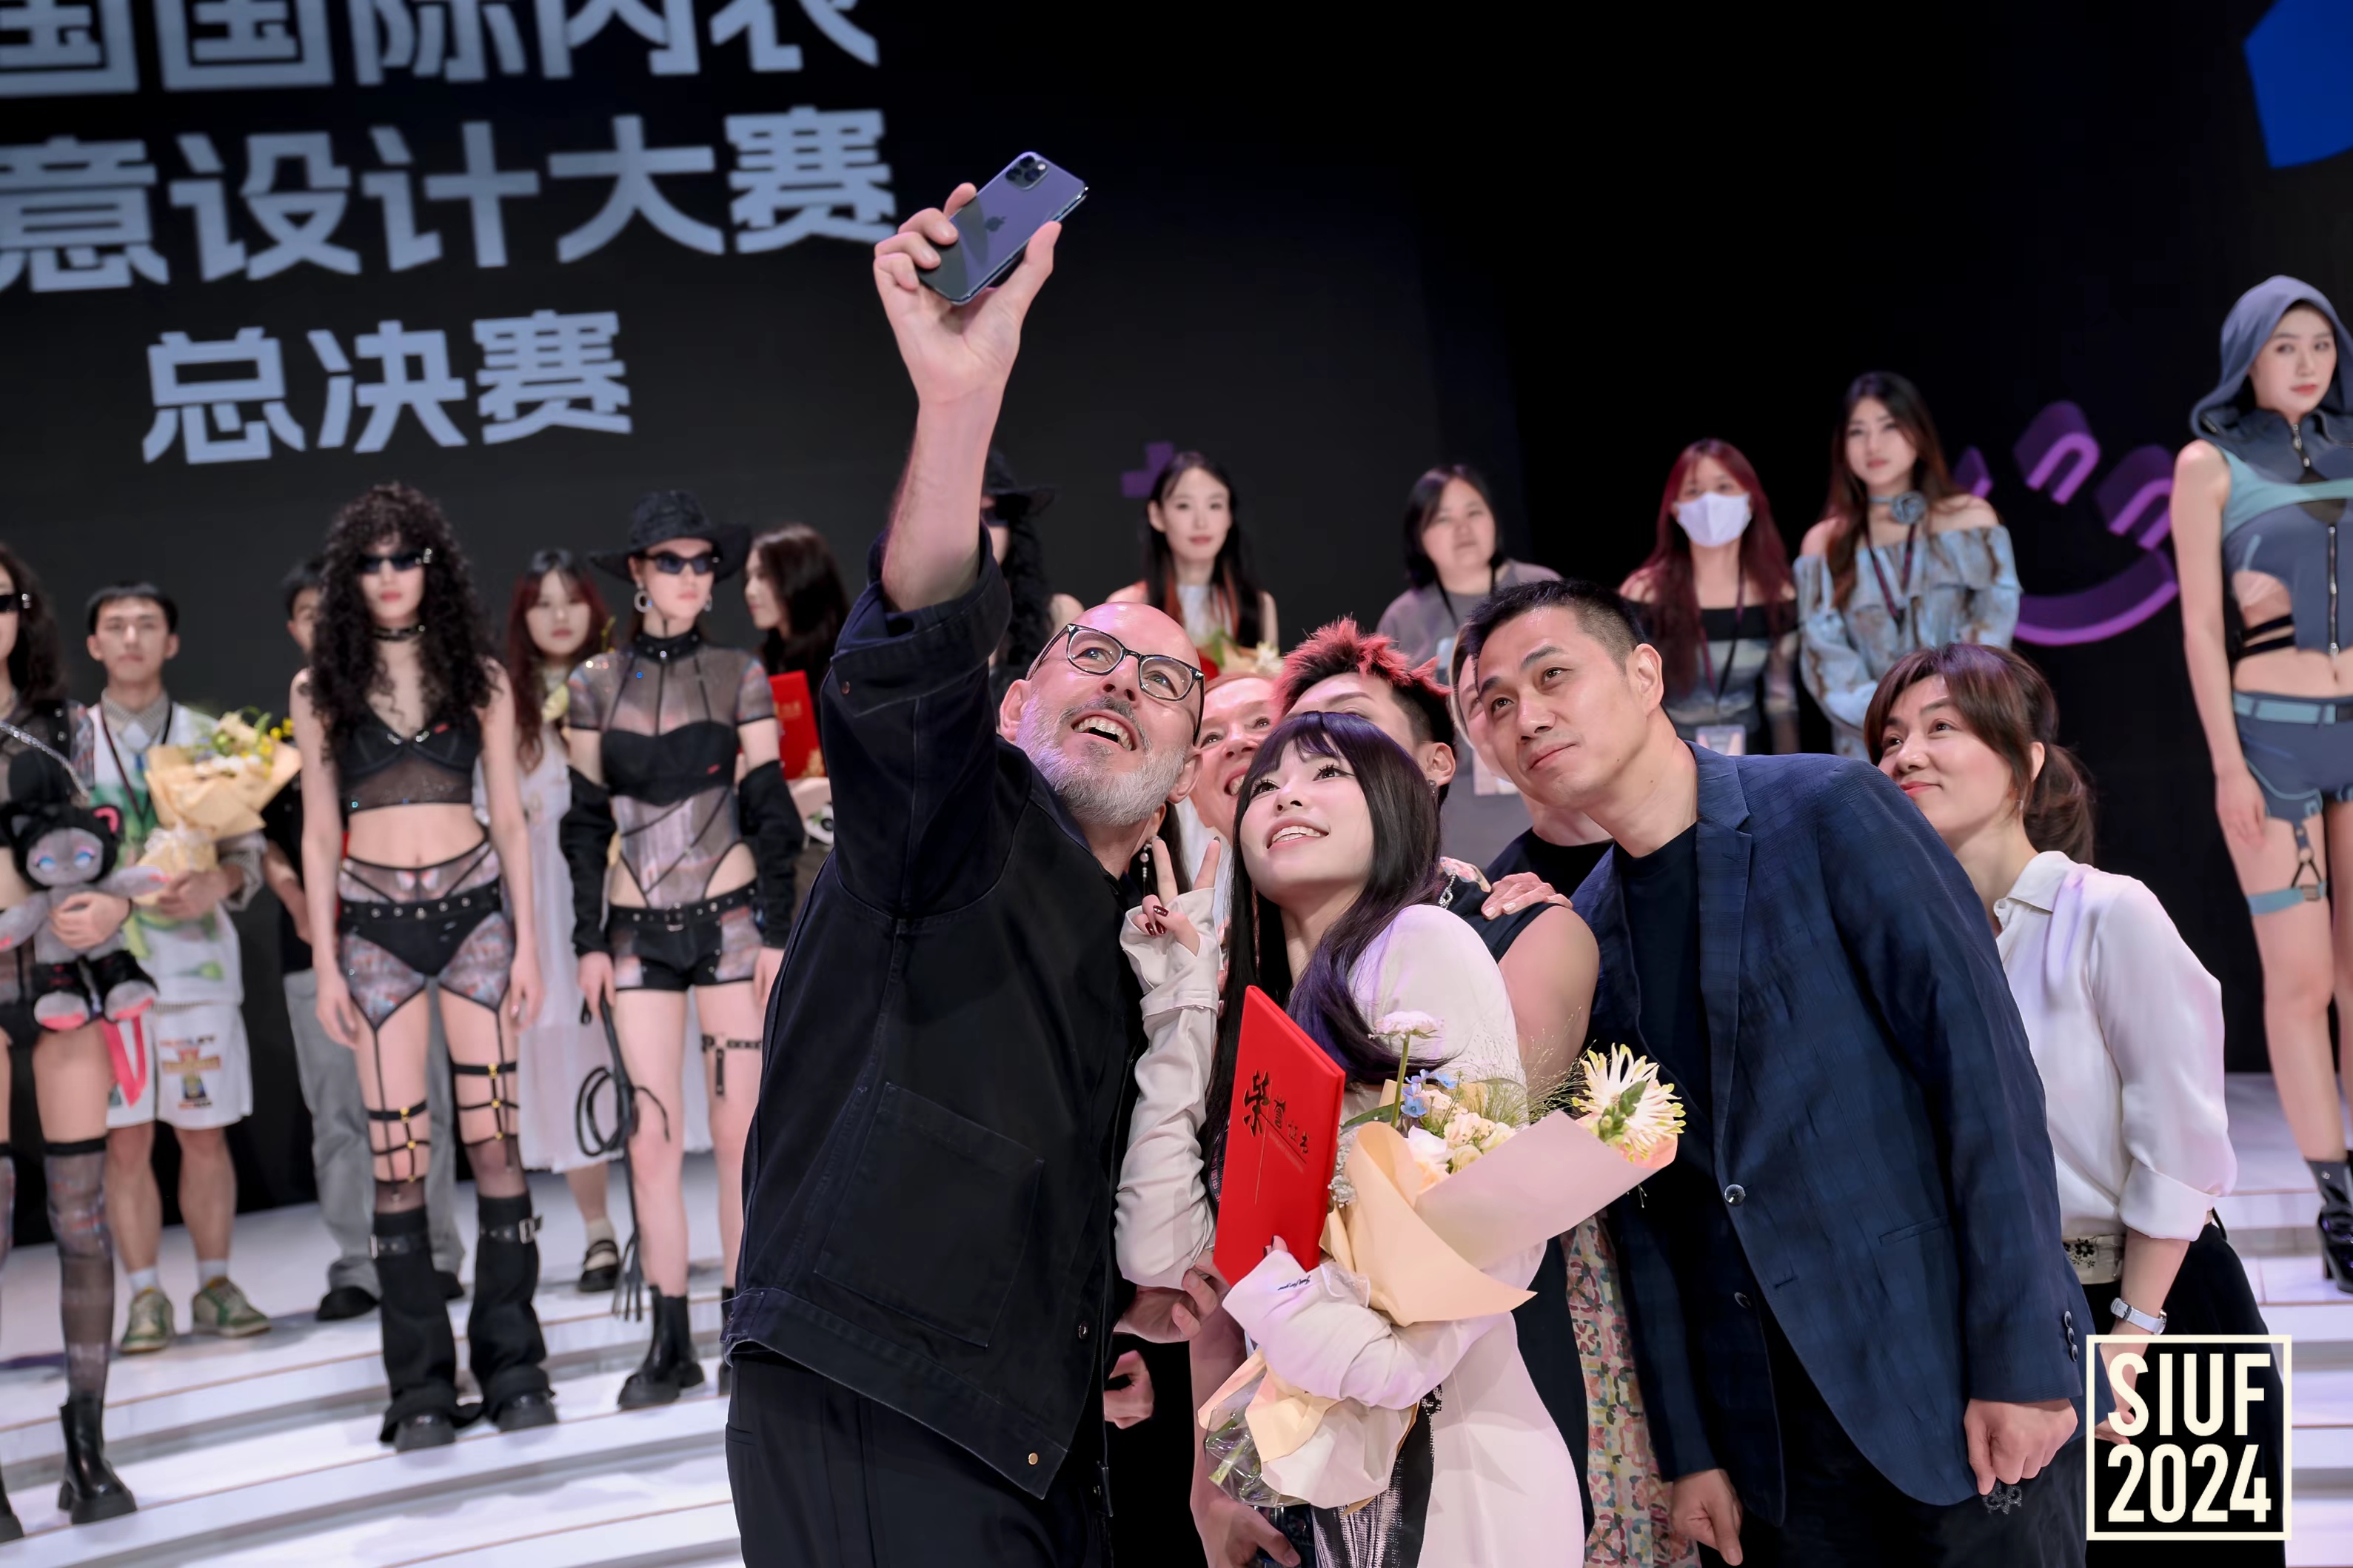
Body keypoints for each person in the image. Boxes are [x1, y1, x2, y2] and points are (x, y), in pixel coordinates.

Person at [724, 183, 1219, 1568]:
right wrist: (957, 403)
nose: (1121, 681)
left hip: (1022, 1427)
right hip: (876, 1400)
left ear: (1187, 769)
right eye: (1089, 655)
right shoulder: (949, 816)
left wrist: (1095, 1312)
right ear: (1010, 702)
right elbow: (915, 649)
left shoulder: (1140, 939)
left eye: (1164, 682)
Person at [1458, 577, 2093, 1567]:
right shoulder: (1584, 933)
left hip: (1943, 1376)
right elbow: (1645, 1210)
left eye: (1550, 677)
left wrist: (2023, 1361)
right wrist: (1691, 1451)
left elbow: (1982, 1075)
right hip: (1768, 1451)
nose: (1525, 717)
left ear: (1642, 674)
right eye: (1494, 703)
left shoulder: (1831, 808)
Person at [1117, 708, 1583, 1565]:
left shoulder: (1423, 943)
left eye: (1327, 773)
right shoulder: (1254, 1022)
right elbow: (1162, 1255)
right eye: (1265, 785)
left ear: (1396, 807)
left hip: (1455, 1467)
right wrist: (1182, 1005)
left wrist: (1270, 1291)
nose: (1286, 794)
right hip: (1309, 1479)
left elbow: (1481, 1245)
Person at [1281, 620, 1682, 1565]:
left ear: (1431, 764)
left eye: (1342, 747)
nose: (1301, 781)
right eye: (1283, 762)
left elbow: (1482, 1157)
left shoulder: (1503, 921)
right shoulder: (1252, 963)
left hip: (1481, 1361)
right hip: (1300, 1399)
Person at [1868, 643, 2277, 1567]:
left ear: (2024, 762)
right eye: (1889, 740)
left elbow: (2183, 1144)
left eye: (1941, 728)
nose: (1905, 756)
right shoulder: (1902, 951)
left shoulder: (2106, 913)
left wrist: (2132, 1335)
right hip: (2004, 1321)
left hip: (2155, 1308)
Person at [290, 483, 553, 1449]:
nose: (391, 576)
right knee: (398, 1161)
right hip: (373, 932)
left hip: (476, 916)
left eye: (406, 558)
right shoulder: (319, 690)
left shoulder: (480, 678)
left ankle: (515, 1365)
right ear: (349, 578)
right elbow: (320, 834)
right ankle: (419, 1386)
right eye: (372, 562)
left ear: (433, 568)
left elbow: (510, 820)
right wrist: (326, 964)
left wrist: (530, 944)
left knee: (494, 1145)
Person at [564, 491, 800, 1406]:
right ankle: (669, 1342)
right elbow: (585, 824)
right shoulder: (592, 685)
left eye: (704, 563)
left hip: (732, 919)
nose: (692, 578)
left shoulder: (737, 673)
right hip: (635, 931)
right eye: (672, 561)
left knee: (740, 1135)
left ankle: (745, 1331)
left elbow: (770, 810)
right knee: (651, 1137)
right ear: (637, 572)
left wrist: (775, 930)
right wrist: (587, 940)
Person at [2173, 276, 2353, 1290]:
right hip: (2270, 744)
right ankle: (2339, 1205)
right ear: (2246, 355)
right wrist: (2225, 765)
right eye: (2283, 345)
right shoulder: (2208, 463)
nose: (2305, 362)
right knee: (2300, 980)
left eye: (2319, 343)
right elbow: (2202, 626)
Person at [264, 559, 463, 1321]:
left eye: (332, 609)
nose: (322, 624)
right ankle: (358, 1263)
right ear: (292, 627)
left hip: (411, 931)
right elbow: (265, 839)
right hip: (316, 944)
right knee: (340, 1115)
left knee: (426, 1100)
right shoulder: (278, 736)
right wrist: (297, 901)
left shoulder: (409, 704)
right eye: (307, 613)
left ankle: (436, 1253)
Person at [82, 582, 270, 1350]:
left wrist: (218, 883)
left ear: (172, 642)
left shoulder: (211, 739)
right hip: (102, 974)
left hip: (196, 969)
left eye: (147, 624)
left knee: (203, 1134)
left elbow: (247, 852)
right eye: (116, 625)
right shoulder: (69, 742)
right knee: (123, 1142)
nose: (131, 637)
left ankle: (216, 1284)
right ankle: (145, 1296)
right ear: (93, 644)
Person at [0, 543, 136, 1530]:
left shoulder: (72, 727)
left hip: (62, 978)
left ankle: (87, 1444)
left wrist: (115, 909)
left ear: (23, 611)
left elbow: (129, 845)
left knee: (83, 1219)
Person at [498, 550, 622, 1294]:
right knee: (571, 1064)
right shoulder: (504, 708)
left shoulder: (624, 682)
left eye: (570, 599)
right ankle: (599, 1230)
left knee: (645, 1058)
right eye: (541, 603)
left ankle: (666, 1222)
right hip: (546, 906)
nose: (558, 615)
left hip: (626, 889)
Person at [1797, 372, 2019, 759]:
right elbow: (1826, 663)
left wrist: (1941, 717)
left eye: (1889, 426)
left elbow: (1991, 632)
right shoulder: (1824, 543)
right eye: (1858, 432)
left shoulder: (1971, 520)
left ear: (1918, 432)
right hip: (1870, 748)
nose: (1873, 445)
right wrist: (1895, 725)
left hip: (1963, 734)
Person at [1375, 463, 1559, 865]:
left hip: (1544, 793)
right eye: (1443, 519)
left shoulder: (1539, 588)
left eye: (1474, 512)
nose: (1463, 529)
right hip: (1458, 818)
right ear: (1419, 536)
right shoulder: (1403, 617)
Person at [1621, 439, 1799, 756]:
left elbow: (1781, 700)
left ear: (1750, 502)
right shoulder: (1644, 593)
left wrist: (1793, 772)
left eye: (1724, 487)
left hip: (1752, 762)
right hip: (1666, 759)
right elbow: (1629, 696)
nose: (1709, 502)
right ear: (1675, 509)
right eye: (1694, 491)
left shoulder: (1777, 593)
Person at [746, 523, 850, 928]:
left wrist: (821, 789)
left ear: (800, 577)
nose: (751, 591)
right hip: (774, 848)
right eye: (748, 578)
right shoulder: (757, 668)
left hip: (837, 849)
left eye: (763, 576)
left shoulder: (849, 663)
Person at [1109, 451, 1279, 662]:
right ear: (1157, 515)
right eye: (1184, 506)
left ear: (1229, 516)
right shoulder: (1127, 605)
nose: (1201, 522)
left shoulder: (1258, 605)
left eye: (1215, 506)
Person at [982, 449, 1085, 706]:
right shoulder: (913, 624)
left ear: (1013, 528)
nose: (979, 530)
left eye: (992, 516)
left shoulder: (1058, 617)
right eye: (962, 517)